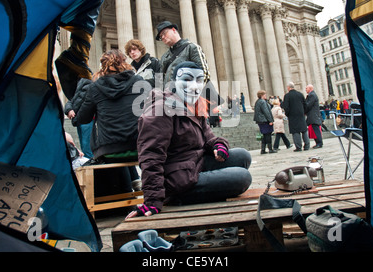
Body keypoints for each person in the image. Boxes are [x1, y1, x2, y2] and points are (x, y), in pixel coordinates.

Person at [126, 62, 252, 218]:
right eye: (187, 79)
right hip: (176, 179)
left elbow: (208, 136)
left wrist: (218, 145)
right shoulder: (160, 108)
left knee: (243, 155)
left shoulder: (192, 105)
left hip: (193, 164)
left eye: (199, 80)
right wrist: (153, 200)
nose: (194, 86)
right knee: (242, 177)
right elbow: (151, 155)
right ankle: (178, 196)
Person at [76, 50, 149, 195]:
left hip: (109, 151)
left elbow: (82, 119)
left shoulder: (95, 87)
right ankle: (135, 182)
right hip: (141, 147)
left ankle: (126, 190)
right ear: (123, 62)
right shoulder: (139, 81)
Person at [155, 21, 209, 86]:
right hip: (168, 95)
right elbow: (159, 81)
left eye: (164, 33)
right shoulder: (164, 57)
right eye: (161, 36)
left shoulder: (191, 47)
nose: (163, 37)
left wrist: (191, 92)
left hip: (187, 93)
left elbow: (203, 74)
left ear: (173, 30)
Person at [64, 78, 94, 159]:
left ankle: (90, 163)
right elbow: (72, 100)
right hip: (82, 118)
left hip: (84, 118)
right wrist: (69, 109)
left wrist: (69, 109)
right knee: (85, 145)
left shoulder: (84, 84)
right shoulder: (79, 85)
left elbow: (74, 101)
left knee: (86, 146)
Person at [281, 82, 310, 152]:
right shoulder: (300, 94)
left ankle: (298, 146)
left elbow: (286, 107)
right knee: (304, 130)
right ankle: (307, 145)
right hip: (301, 114)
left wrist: (287, 114)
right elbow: (305, 104)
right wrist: (304, 112)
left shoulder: (287, 96)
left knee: (295, 131)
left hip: (292, 115)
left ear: (288, 87)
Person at [254, 90, 277, 154]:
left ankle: (263, 149)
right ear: (262, 95)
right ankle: (270, 148)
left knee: (264, 135)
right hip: (265, 120)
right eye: (264, 95)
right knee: (268, 134)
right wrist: (270, 120)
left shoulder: (258, 102)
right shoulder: (263, 102)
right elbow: (266, 112)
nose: (265, 96)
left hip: (260, 121)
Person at [305, 84, 323, 148]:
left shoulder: (312, 95)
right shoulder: (312, 95)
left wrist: (304, 108)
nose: (305, 89)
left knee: (316, 129)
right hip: (313, 115)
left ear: (310, 89)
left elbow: (308, 105)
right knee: (315, 128)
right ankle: (318, 142)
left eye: (306, 88)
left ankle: (319, 143)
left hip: (313, 115)